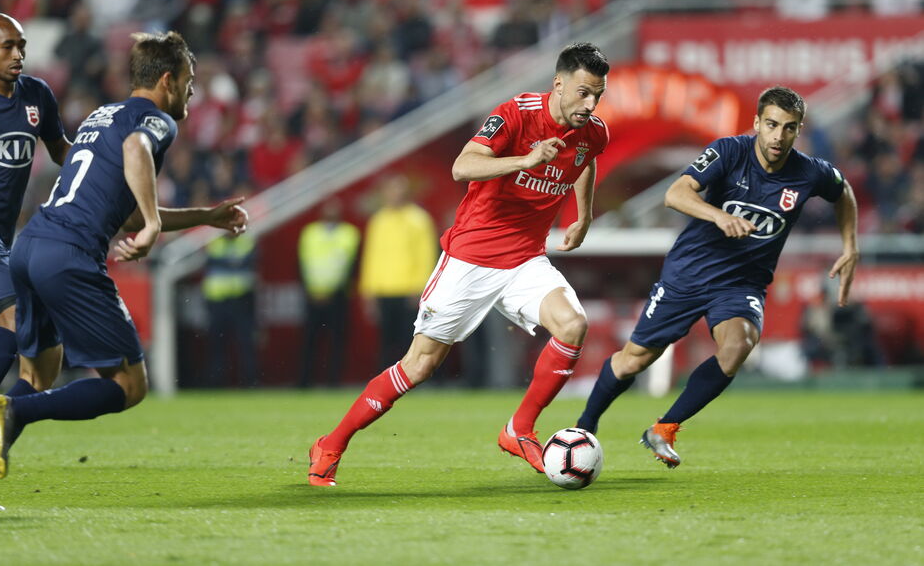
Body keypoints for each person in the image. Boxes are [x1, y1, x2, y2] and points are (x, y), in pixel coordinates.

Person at [308, 42, 610, 486]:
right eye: (584, 92)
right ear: (558, 83)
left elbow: (585, 160)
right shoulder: (515, 114)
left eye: (598, 95)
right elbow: (461, 166)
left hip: (525, 259)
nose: (591, 103)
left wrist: (582, 216)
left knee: (573, 325)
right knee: (420, 366)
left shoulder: (593, 131)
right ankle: (331, 443)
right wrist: (525, 159)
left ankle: (519, 429)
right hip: (470, 258)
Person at [0, 30, 248, 479]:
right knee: (130, 385)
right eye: (189, 81)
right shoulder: (154, 120)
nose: (192, 91)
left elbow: (126, 215)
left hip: (30, 246)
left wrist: (206, 215)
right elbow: (136, 153)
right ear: (167, 80)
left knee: (38, 374)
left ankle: (4, 424)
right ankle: (10, 413)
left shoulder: (102, 115)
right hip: (69, 255)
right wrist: (152, 223)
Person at [575, 86, 859, 469]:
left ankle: (665, 428)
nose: (778, 136)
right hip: (689, 272)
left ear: (798, 130)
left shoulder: (810, 172)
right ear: (757, 123)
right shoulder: (729, 151)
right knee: (634, 360)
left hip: (741, 284)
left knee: (737, 346)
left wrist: (850, 245)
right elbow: (675, 193)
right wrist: (718, 215)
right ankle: (584, 427)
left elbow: (844, 193)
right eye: (771, 124)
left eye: (788, 128)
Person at [0, 14, 72, 393]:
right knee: (15, 317)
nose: (17, 54)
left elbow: (61, 152)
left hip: (4, 236)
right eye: (7, 46)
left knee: (25, 335)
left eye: (21, 45)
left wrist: (101, 169)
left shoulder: (36, 95)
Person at [358, 175, 438, 372]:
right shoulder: (378, 220)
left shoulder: (419, 219)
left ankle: (412, 380)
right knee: (386, 341)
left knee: (410, 342)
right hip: (384, 290)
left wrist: (421, 288)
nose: (395, 194)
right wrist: (368, 291)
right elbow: (371, 257)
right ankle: (384, 384)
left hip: (409, 290)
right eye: (391, 190)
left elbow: (426, 256)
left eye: (399, 190)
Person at [297, 198, 360, 387]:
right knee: (309, 342)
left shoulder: (349, 233)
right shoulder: (310, 233)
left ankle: (333, 381)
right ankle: (305, 382)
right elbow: (301, 264)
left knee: (337, 342)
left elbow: (353, 266)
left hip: (338, 296)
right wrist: (310, 290)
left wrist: (337, 289)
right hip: (312, 295)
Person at [202, 232, 257, 387]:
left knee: (246, 343)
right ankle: (216, 383)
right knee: (217, 345)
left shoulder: (247, 242)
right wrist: (234, 262)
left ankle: (249, 382)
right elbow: (211, 261)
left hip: (241, 300)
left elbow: (249, 261)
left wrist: (223, 262)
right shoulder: (214, 243)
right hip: (217, 301)